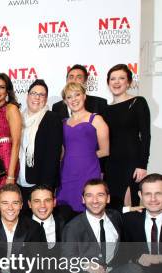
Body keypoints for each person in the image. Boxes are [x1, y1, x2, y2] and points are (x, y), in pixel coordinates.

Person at [104, 64, 152, 210]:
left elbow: (145, 135)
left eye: (121, 78)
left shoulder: (138, 102)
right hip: (111, 165)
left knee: (130, 206)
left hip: (131, 163)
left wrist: (142, 165)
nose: (116, 82)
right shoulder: (105, 109)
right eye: (113, 79)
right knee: (113, 207)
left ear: (129, 82)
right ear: (108, 83)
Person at [56, 82, 109, 212]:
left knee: (89, 208)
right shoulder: (62, 123)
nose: (73, 99)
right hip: (66, 173)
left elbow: (105, 150)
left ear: (84, 96)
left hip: (88, 172)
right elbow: (62, 152)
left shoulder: (96, 119)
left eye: (77, 95)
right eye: (69, 97)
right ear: (65, 101)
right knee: (65, 210)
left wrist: (85, 156)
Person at [17, 80, 63, 204]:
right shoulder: (18, 118)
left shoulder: (52, 118)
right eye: (33, 93)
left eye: (41, 95)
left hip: (39, 183)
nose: (37, 97)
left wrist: (45, 187)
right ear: (27, 96)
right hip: (19, 180)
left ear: (46, 99)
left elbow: (53, 156)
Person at [0, 73, 22, 188]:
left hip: (7, 159)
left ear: (7, 91)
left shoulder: (11, 108)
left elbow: (16, 143)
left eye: (1, 87)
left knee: (5, 197)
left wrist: (11, 175)